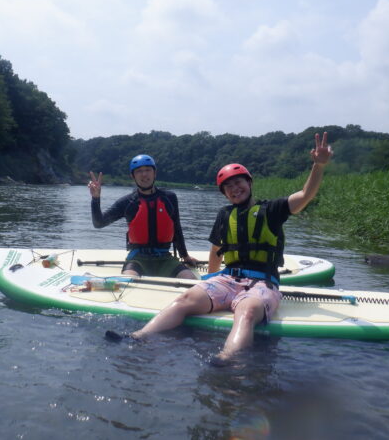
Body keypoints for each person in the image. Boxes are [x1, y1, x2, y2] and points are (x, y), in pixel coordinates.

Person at [114, 133, 333, 364]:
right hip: (227, 280)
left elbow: (305, 195)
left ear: (249, 182)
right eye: (228, 186)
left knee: (246, 312)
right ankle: (138, 337)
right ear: (224, 193)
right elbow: (215, 250)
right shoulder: (224, 215)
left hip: (262, 282)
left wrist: (318, 165)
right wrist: (209, 279)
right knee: (185, 299)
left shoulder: (273, 209)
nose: (234, 188)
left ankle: (228, 359)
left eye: (238, 182)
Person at [89, 154, 198, 279]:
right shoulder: (127, 202)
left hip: (165, 259)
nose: (144, 174)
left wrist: (185, 256)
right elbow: (99, 223)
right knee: (127, 281)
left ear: (154, 173)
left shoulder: (169, 198)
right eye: (139, 171)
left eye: (148, 170)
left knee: (191, 280)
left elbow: (177, 229)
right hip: (137, 260)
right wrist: (95, 199)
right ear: (133, 176)